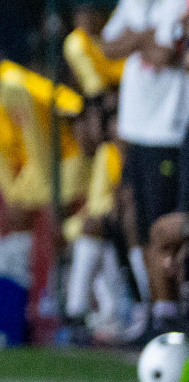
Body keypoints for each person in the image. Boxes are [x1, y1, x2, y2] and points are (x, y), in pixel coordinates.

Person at [99, 0, 189, 326]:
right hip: (136, 126)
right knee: (134, 218)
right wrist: (143, 39)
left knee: (165, 227)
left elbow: (169, 52)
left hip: (169, 127)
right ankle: (157, 312)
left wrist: (141, 41)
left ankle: (168, 315)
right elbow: (110, 45)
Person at [0, 34, 86, 277]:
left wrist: (47, 192)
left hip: (67, 155)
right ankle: (19, 281)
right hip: (34, 167)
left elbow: (37, 142)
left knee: (55, 215)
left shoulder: (11, 85)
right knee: (14, 213)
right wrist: (12, 194)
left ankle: (64, 286)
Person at [62, 99, 132, 341]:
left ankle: (78, 312)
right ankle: (104, 314)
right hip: (109, 227)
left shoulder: (131, 153)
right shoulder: (105, 153)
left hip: (128, 226)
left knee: (92, 232)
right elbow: (97, 202)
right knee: (91, 237)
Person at [63, 3, 124, 101]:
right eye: (84, 16)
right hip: (97, 98)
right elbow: (95, 89)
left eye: (93, 15)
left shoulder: (114, 34)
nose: (89, 21)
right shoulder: (77, 40)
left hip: (123, 89)